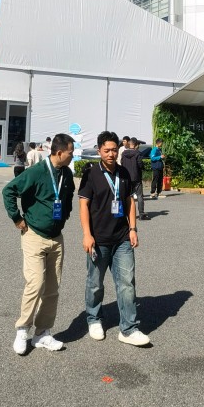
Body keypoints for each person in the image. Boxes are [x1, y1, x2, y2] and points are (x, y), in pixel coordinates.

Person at [2, 133, 76, 355]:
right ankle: (22, 330)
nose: (72, 156)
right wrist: (17, 218)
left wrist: (65, 214)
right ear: (59, 152)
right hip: (34, 235)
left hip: (56, 238)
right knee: (35, 284)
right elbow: (8, 191)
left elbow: (69, 196)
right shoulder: (36, 172)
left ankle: (42, 333)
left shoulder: (66, 173)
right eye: (70, 153)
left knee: (52, 289)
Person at [79, 131, 150, 347]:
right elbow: (83, 205)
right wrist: (87, 234)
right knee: (95, 283)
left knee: (127, 283)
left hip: (122, 239)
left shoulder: (123, 172)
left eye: (114, 150)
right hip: (98, 239)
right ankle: (94, 319)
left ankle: (128, 329)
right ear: (99, 150)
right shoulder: (91, 174)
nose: (111, 154)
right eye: (106, 150)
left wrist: (133, 228)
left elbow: (129, 202)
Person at [119, 137, 146, 220]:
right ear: (135, 145)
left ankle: (127, 214)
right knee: (139, 196)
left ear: (129, 144)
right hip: (136, 177)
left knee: (127, 196)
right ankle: (141, 214)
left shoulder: (123, 153)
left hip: (127, 177)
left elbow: (122, 163)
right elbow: (140, 165)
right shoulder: (138, 153)